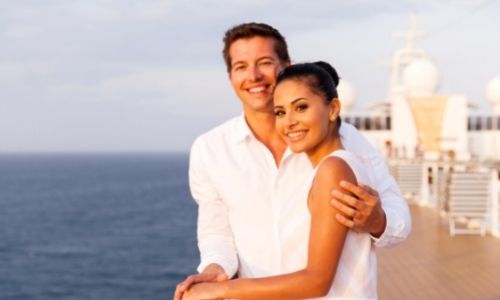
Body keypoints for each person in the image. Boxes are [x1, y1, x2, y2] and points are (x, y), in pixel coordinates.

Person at [174, 22, 411, 299]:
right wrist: (216, 272)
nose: (253, 76)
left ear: (286, 65)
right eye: (241, 66)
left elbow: (399, 218)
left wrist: (378, 221)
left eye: (264, 62)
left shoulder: (344, 143)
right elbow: (216, 233)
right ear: (230, 78)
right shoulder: (210, 149)